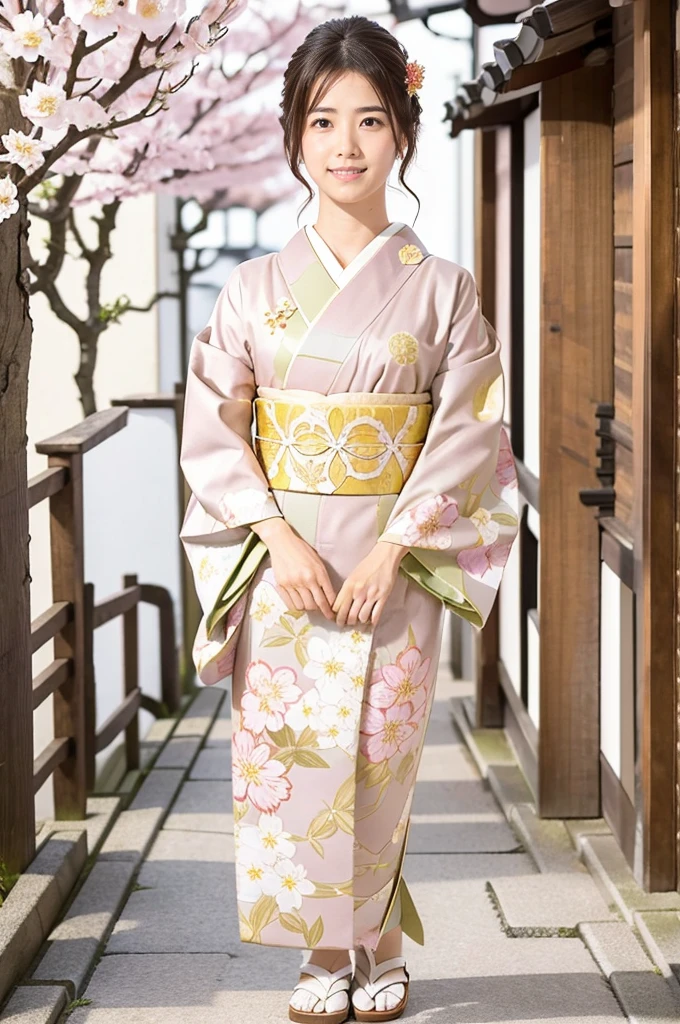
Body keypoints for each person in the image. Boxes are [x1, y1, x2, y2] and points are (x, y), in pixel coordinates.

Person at [179, 14, 518, 1024]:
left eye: (369, 120)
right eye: (322, 121)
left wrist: (394, 545)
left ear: (401, 133)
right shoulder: (251, 291)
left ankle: (374, 942)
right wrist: (273, 537)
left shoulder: (443, 292)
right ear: (293, 136)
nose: (345, 145)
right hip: (286, 565)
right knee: (290, 759)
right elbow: (213, 424)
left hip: (391, 563)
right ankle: (321, 952)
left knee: (375, 753)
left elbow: (470, 431)